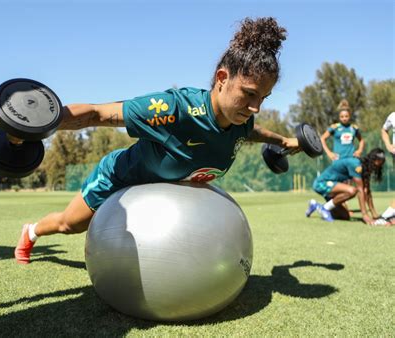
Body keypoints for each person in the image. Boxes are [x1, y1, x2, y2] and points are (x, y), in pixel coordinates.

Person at [15, 17, 301, 264]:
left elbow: (254, 132)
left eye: (263, 98)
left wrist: (285, 141)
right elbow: (96, 113)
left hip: (169, 196)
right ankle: (31, 231)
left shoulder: (241, 121)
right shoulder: (175, 109)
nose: (255, 108)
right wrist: (36, 125)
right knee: (70, 224)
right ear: (222, 78)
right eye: (249, 93)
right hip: (121, 178)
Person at [305, 148, 386, 225]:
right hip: (321, 184)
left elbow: (367, 191)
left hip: (333, 187)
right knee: (352, 191)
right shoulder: (356, 165)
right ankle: (325, 208)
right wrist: (364, 215)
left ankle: (316, 205)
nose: (379, 167)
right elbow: (360, 190)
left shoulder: (364, 168)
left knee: (345, 216)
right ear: (374, 160)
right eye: (379, 163)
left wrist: (374, 213)